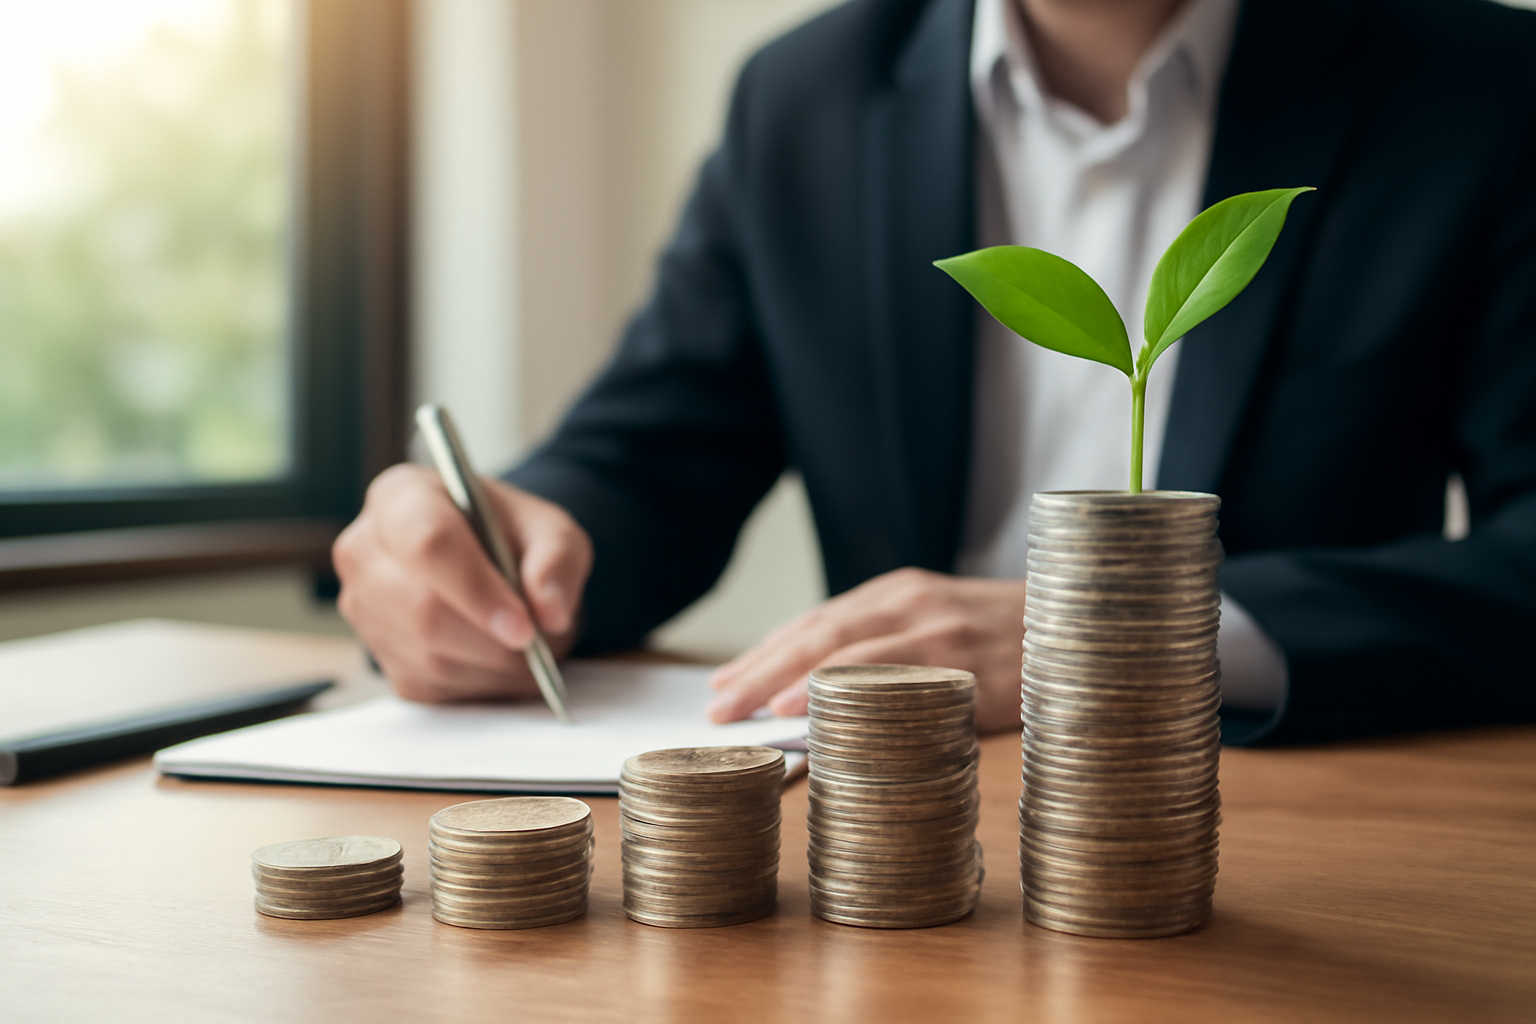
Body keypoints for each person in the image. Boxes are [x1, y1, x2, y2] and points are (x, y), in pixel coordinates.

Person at [333, 0, 1536, 745]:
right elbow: (652, 453)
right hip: (888, 822)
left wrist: (1130, 639)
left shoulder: (1482, 90)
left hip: (1291, 822)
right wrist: (495, 560)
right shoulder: (802, 98)